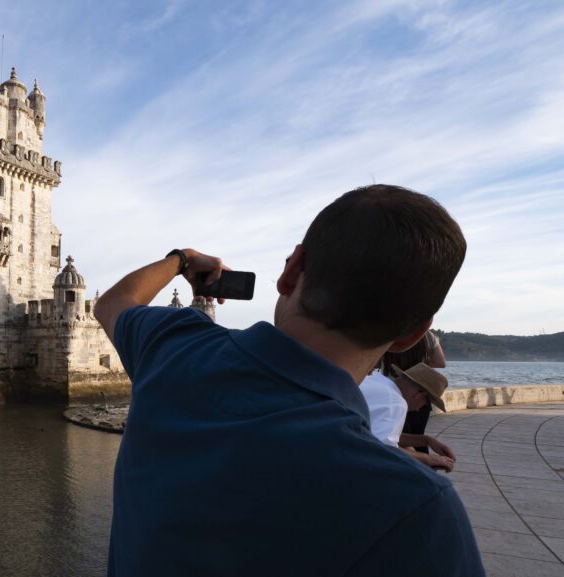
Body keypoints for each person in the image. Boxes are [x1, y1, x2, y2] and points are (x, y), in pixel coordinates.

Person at [94, 185, 483, 576]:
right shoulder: (417, 509)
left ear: (292, 269)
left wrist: (181, 260)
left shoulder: (174, 346)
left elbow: (112, 303)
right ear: (414, 334)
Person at [361, 362, 456, 471]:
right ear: (419, 395)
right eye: (426, 404)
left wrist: (427, 441)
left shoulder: (377, 379)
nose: (418, 409)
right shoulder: (396, 403)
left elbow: (380, 437)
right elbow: (384, 450)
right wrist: (428, 458)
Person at [386, 330, 446, 452]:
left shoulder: (387, 331)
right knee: (418, 438)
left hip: (394, 387)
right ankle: (423, 466)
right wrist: (418, 368)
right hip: (419, 389)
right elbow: (440, 362)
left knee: (395, 436)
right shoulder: (428, 335)